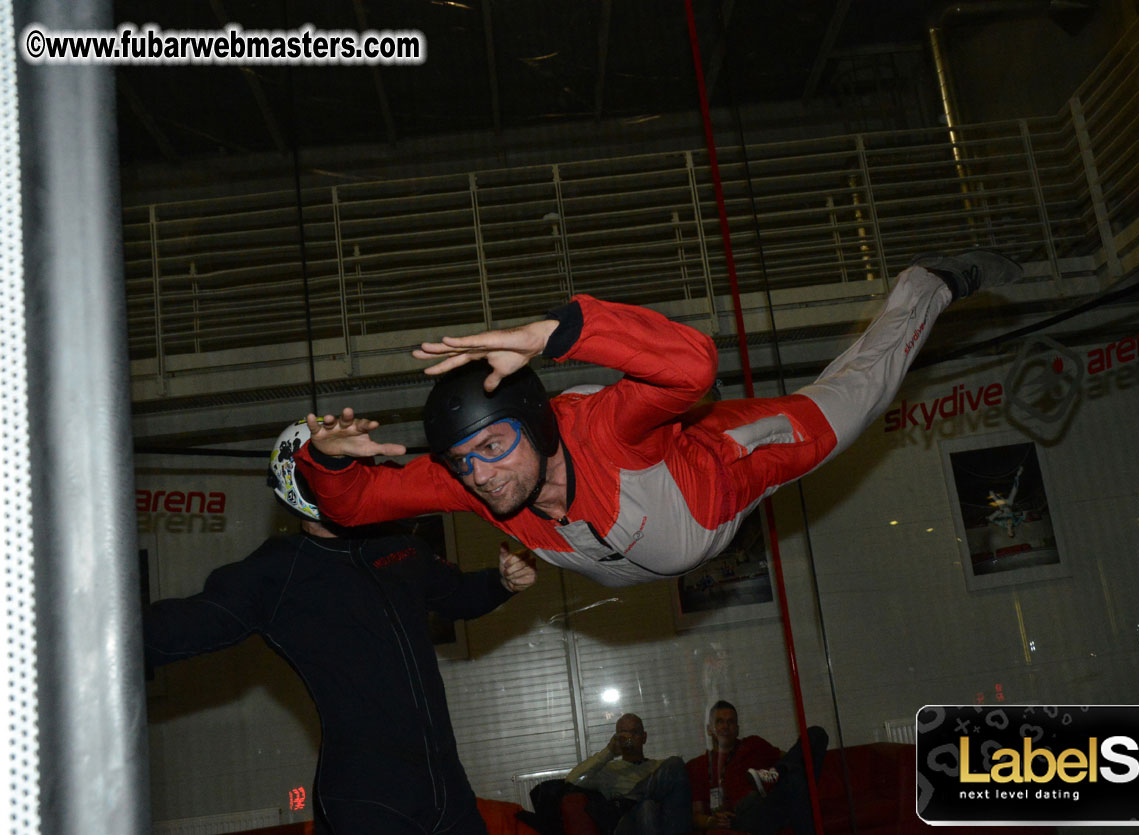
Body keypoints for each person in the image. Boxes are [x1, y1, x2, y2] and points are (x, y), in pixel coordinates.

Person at [295, 251, 1023, 587]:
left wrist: (555, 330)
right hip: (630, 555)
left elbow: (690, 367)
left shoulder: (605, 430)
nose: (479, 475)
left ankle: (927, 286)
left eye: (492, 445)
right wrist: (324, 459)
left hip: (719, 475)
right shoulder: (478, 483)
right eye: (463, 462)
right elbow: (354, 503)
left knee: (861, 394)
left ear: (538, 423)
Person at [143, 420, 537, 835]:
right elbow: (182, 626)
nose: (346, 482)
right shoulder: (277, 572)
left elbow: (456, 595)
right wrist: (88, 636)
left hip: (447, 788)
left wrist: (501, 583)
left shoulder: (397, 547)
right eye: (332, 472)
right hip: (368, 798)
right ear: (300, 484)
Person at [686, 701, 829, 835]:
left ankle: (779, 771)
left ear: (737, 729)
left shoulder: (754, 744)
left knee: (816, 734)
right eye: (720, 722)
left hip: (778, 800)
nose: (725, 726)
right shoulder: (699, 765)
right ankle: (784, 779)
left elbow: (793, 759)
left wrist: (784, 770)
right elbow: (695, 816)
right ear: (710, 729)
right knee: (791, 788)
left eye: (731, 722)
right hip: (743, 814)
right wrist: (712, 821)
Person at [562, 713, 692, 835]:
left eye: (634, 732)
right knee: (646, 808)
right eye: (623, 733)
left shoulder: (661, 770)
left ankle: (634, 798)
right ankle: (633, 800)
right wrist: (609, 752)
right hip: (628, 824)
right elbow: (572, 779)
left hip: (662, 822)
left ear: (644, 737)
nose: (629, 738)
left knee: (673, 766)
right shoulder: (609, 771)